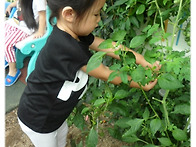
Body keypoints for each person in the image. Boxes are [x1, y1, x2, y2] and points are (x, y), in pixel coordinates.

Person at [17, 0, 162, 146]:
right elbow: (106, 73)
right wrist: (141, 84)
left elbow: (109, 47)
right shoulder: (67, 47)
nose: (99, 19)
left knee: (61, 137)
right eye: (96, 13)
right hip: (37, 119)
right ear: (69, 14)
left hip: (54, 114)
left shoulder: (74, 33)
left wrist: (142, 60)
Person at [4, 0, 46, 86]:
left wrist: (41, 31)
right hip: (13, 23)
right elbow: (18, 2)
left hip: (25, 29)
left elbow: (42, 14)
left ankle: (13, 71)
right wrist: (11, 5)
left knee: (7, 44)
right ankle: (7, 58)